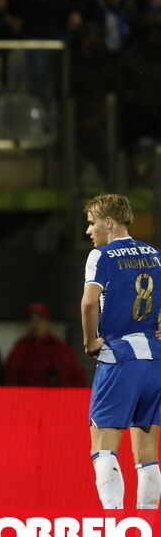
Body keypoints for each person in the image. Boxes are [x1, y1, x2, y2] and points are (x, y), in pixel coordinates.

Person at [81, 193, 161, 510]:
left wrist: (90, 343)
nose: (89, 231)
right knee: (148, 453)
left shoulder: (102, 256)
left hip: (119, 356)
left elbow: (89, 302)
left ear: (109, 223)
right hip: (155, 360)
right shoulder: (156, 255)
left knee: (103, 446)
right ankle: (151, 535)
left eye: (92, 223)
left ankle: (114, 526)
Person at [4, 302, 85, 387]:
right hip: (26, 396)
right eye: (32, 320)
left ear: (47, 322)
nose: (35, 325)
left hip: (55, 397)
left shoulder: (61, 348)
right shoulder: (21, 347)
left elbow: (77, 377)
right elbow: (10, 375)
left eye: (39, 320)